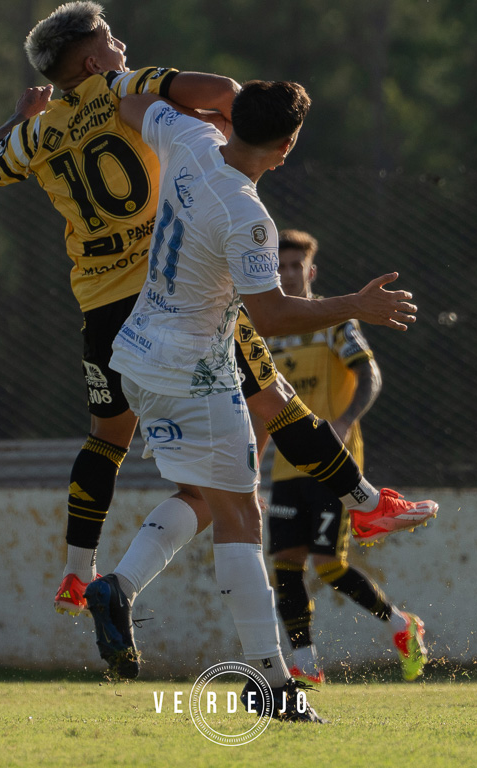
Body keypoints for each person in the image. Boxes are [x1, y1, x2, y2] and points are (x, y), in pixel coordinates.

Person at [0, 2, 436, 620]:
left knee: (108, 439)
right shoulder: (124, 86)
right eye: (110, 39)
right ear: (90, 59)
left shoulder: (37, 130)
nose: (121, 45)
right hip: (174, 293)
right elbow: (225, 93)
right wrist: (212, 123)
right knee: (271, 402)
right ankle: (366, 505)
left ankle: (78, 573)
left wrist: (15, 118)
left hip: (102, 309)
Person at [86, 81, 426, 722]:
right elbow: (268, 315)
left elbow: (131, 101)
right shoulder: (248, 214)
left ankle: (119, 584)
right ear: (288, 146)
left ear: (231, 117)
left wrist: (126, 75)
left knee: (206, 498)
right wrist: (355, 304)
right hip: (196, 372)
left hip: (135, 357)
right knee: (243, 518)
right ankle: (273, 687)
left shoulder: (189, 136)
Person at [267, 230, 427, 685]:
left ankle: (402, 626)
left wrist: (344, 421)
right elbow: (262, 409)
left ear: (311, 272)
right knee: (284, 564)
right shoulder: (266, 333)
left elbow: (368, 374)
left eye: (296, 266)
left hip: (332, 465)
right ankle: (306, 661)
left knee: (329, 563)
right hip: (284, 467)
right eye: (280, 266)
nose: (287, 273)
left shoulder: (333, 322)